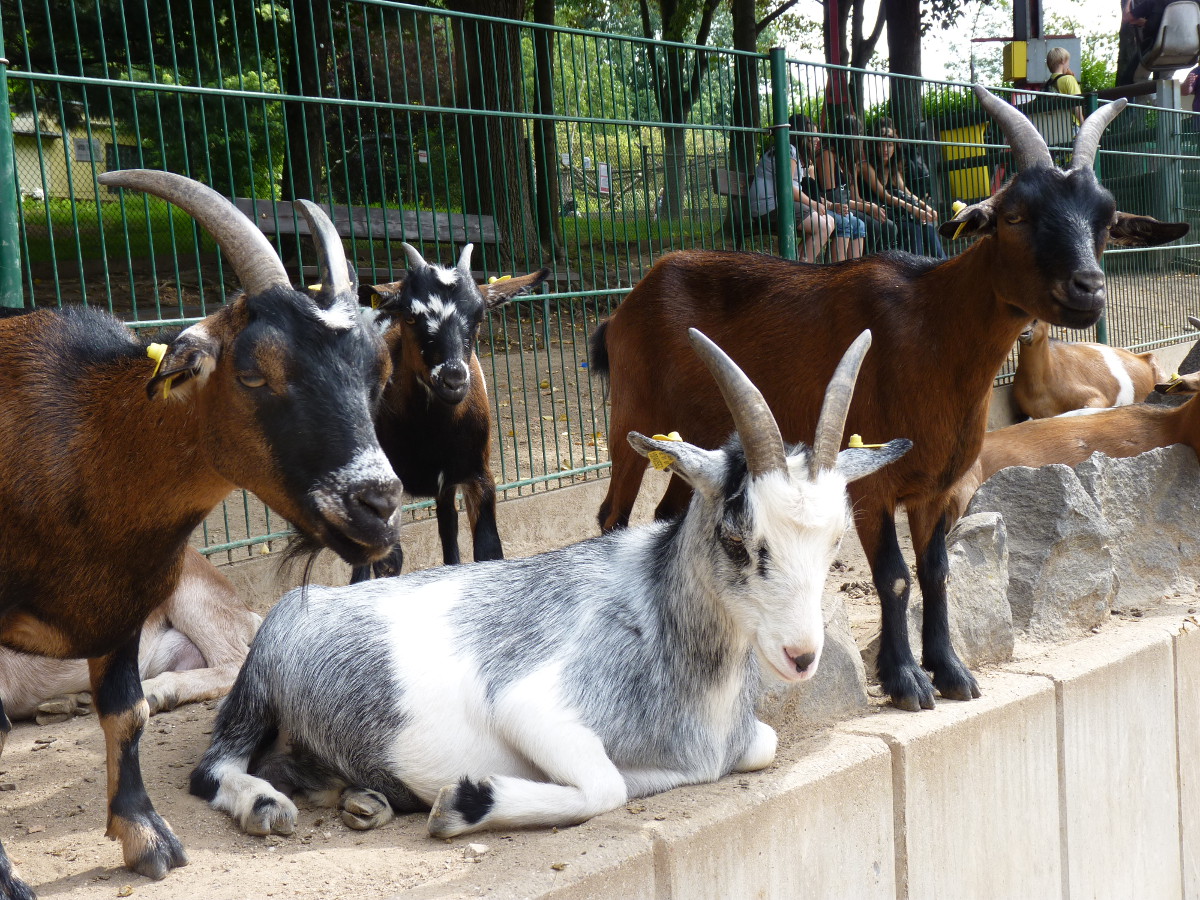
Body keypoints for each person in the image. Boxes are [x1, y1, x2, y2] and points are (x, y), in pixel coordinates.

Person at [745, 114, 836, 263]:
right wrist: (813, 204)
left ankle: (797, 267)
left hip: (775, 206)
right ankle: (802, 273)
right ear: (801, 133)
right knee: (824, 226)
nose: (817, 138)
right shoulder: (789, 149)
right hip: (769, 209)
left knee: (829, 221)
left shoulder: (789, 150)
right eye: (812, 133)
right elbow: (787, 187)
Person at [858, 121, 946, 259]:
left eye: (890, 144)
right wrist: (914, 210)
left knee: (927, 226)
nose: (886, 148)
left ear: (895, 147)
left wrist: (925, 207)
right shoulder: (866, 166)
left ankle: (943, 264)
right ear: (875, 145)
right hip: (879, 212)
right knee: (914, 229)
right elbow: (885, 196)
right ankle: (917, 270)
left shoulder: (893, 168)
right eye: (882, 143)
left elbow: (907, 193)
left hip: (897, 212)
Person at [816, 115, 897, 256]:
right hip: (833, 207)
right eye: (858, 133)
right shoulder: (827, 155)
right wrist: (867, 207)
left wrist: (872, 207)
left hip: (849, 207)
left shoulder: (850, 159)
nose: (861, 138)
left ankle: (873, 266)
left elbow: (856, 198)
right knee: (876, 227)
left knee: (890, 226)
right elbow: (832, 196)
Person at [1044, 47, 1083, 128]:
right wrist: (1083, 123)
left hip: (1055, 128)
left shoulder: (1047, 84)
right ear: (1062, 60)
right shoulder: (1069, 79)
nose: (1068, 65)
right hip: (1071, 126)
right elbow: (1076, 106)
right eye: (1068, 61)